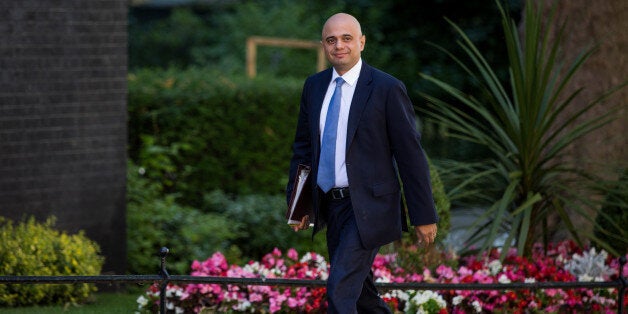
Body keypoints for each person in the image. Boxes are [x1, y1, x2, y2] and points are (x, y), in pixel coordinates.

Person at [286, 12, 439, 314]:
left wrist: (423, 214)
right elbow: (303, 148)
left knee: (340, 288)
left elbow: (410, 155)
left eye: (346, 38)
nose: (339, 45)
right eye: (331, 40)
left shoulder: (386, 88)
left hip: (370, 207)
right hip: (332, 204)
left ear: (362, 42)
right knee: (362, 297)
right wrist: (299, 203)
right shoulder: (314, 87)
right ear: (323, 45)